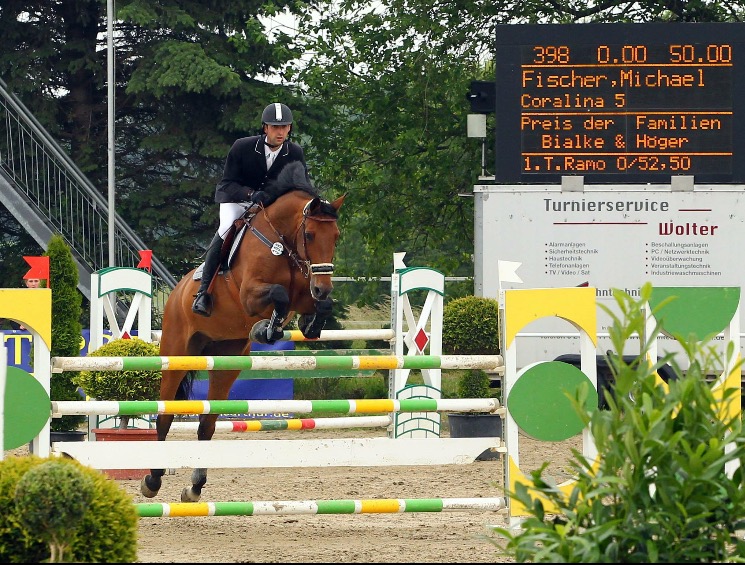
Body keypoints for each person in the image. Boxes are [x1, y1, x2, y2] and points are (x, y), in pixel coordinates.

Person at [191, 102, 310, 317]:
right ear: (265, 128)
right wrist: (250, 195)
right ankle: (203, 292)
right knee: (226, 229)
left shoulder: (294, 152)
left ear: (290, 128)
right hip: (236, 200)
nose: (280, 131)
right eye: (275, 127)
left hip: (269, 206)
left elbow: (302, 187)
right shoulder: (242, 147)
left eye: (284, 127)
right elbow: (228, 183)